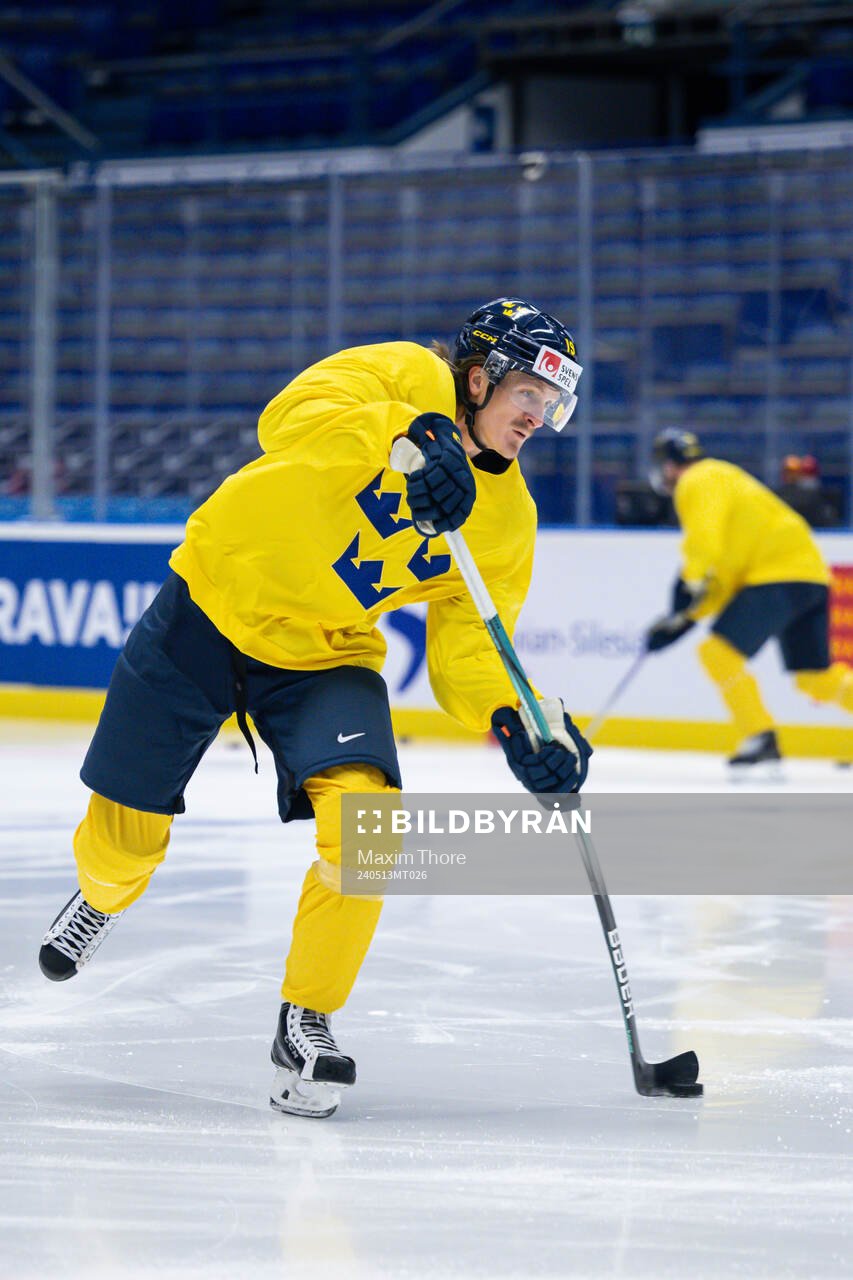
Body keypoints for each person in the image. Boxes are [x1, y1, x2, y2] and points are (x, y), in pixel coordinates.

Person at [38, 297, 592, 1118]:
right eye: (528, 399)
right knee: (123, 851)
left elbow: (472, 647)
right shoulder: (403, 372)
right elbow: (288, 419)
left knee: (369, 825)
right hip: (212, 609)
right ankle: (102, 897)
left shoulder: (506, 518)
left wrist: (520, 722)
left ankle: (308, 1018)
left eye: (550, 407)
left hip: (323, 656)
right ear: (478, 379)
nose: (537, 421)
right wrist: (412, 435)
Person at [644, 429, 853, 768]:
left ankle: (760, 737)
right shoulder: (721, 476)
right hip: (810, 575)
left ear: (669, 466)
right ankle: (760, 737)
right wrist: (685, 619)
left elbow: (704, 547)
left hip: (777, 575)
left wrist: (686, 588)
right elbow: (724, 574)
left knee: (717, 654)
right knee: (815, 677)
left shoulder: (695, 481)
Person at [776, 454, 841, 529]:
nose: (791, 476)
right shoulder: (779, 495)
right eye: (789, 472)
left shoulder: (822, 495)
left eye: (810, 473)